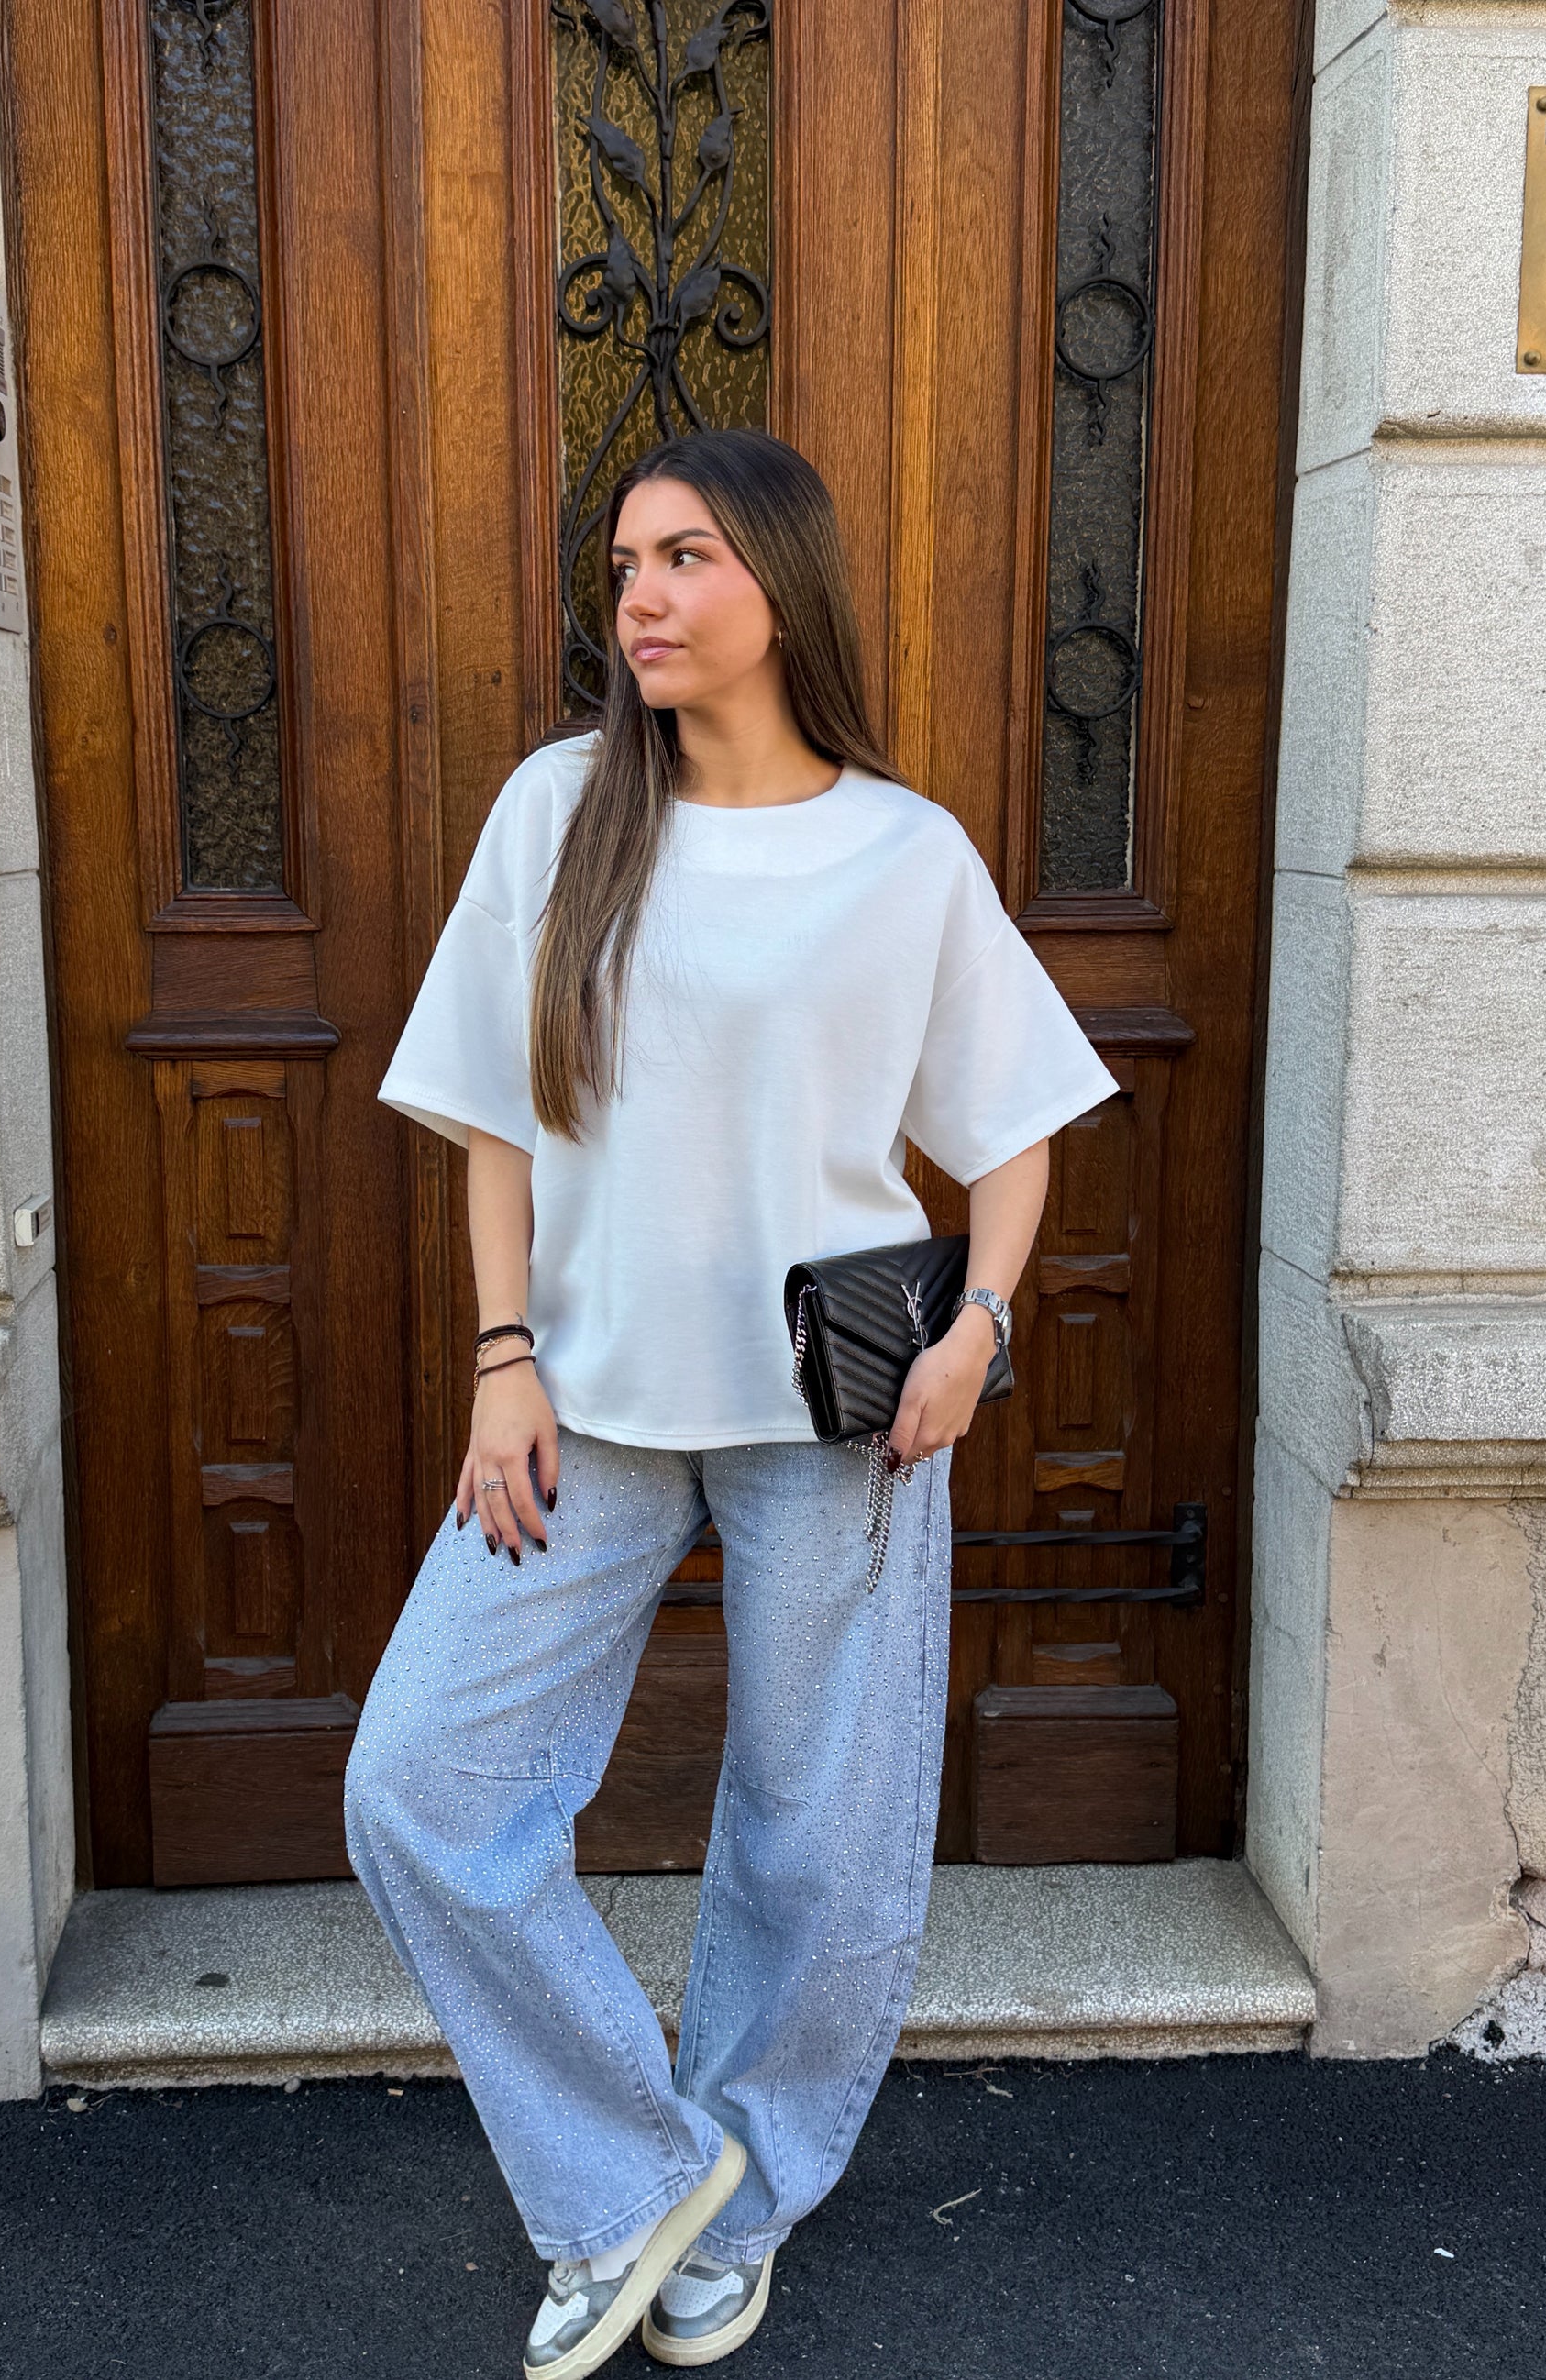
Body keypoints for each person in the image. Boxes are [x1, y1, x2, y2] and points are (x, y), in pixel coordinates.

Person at [345, 426, 1117, 2378]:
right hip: (582, 1407)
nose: (644, 597)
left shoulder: (903, 852)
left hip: (836, 1416)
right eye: (624, 565)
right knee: (420, 1785)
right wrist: (499, 1354)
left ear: (783, 581)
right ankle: (632, 2180)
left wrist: (979, 1329)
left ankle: (739, 2199)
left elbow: (1014, 1125)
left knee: (815, 1833)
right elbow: (492, 1119)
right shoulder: (558, 810)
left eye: (685, 556)